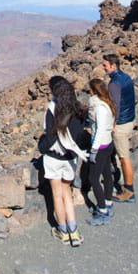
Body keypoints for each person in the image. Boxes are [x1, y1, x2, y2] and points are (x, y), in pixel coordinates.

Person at [42, 76, 87, 247]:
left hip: (53, 158)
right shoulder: (78, 109)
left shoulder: (53, 109)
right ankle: (74, 232)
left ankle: (62, 231)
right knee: (67, 193)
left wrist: (42, 148)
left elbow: (49, 136)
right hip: (70, 157)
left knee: (57, 194)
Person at [102, 51, 137, 202]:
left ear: (113, 65)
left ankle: (129, 191)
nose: (103, 68)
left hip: (121, 124)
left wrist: (114, 124)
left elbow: (114, 105)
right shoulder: (125, 77)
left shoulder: (115, 83)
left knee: (124, 157)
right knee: (123, 156)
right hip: (130, 119)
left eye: (105, 66)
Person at [85, 77, 117, 226]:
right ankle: (108, 202)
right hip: (107, 144)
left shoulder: (99, 108)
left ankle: (102, 210)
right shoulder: (107, 103)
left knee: (93, 178)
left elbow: (100, 130)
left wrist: (93, 149)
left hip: (101, 146)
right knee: (106, 174)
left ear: (93, 91)